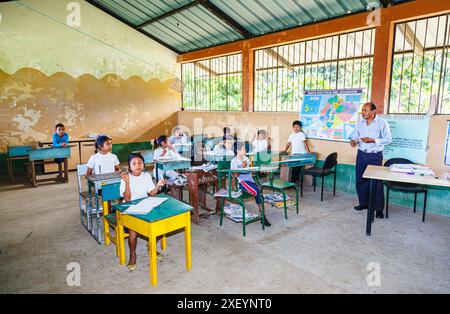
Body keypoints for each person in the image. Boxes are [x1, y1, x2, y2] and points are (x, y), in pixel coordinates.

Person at [120, 153, 166, 271]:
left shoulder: (146, 176)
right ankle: (132, 254)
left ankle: (151, 247)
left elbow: (151, 193)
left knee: (160, 222)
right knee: (133, 230)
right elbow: (128, 199)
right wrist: (127, 183)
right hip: (129, 209)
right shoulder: (125, 177)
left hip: (144, 206)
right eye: (134, 163)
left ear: (144, 164)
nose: (137, 166)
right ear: (129, 166)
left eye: (140, 163)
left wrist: (158, 186)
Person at [350, 102, 392, 218]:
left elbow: (388, 139)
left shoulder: (382, 123)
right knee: (361, 180)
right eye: (362, 110)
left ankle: (378, 209)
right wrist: (353, 141)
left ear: (373, 112)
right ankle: (363, 203)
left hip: (375, 156)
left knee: (377, 182)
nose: (363, 112)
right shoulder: (360, 124)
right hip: (362, 155)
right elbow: (354, 137)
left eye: (365, 110)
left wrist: (373, 140)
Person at [231, 141, 270, 226]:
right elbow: (235, 175)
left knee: (259, 194)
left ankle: (263, 216)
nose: (245, 150)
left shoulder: (246, 158)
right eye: (243, 149)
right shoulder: (234, 161)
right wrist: (242, 167)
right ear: (238, 150)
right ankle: (262, 217)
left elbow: (250, 170)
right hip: (243, 182)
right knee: (257, 192)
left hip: (251, 181)